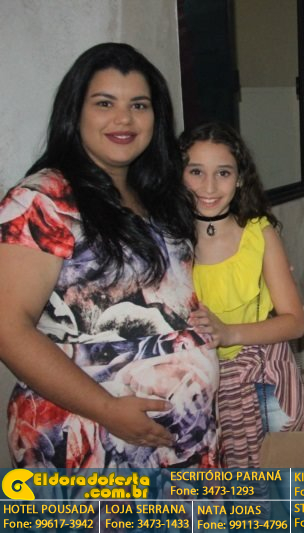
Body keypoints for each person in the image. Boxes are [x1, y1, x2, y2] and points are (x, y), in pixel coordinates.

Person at [0, 43, 218, 468]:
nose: (124, 119)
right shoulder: (42, 201)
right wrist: (106, 409)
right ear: (75, 111)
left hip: (181, 442)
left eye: (139, 105)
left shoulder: (157, 197)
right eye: (105, 103)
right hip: (88, 438)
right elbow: (8, 328)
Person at [181, 122, 304, 468]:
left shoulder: (259, 234)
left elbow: (295, 322)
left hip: (264, 378)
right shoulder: (167, 241)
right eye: (196, 172)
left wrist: (229, 333)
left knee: (284, 479)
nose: (209, 187)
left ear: (240, 178)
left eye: (223, 173)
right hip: (201, 385)